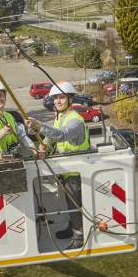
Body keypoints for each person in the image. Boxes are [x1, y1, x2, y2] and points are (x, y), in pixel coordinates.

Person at [25, 81, 89, 249]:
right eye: (55, 98)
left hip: (76, 173)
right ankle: (72, 227)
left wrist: (39, 125)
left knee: (75, 206)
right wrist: (45, 145)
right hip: (66, 171)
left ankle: (79, 238)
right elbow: (53, 136)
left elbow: (62, 135)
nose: (58, 101)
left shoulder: (76, 121)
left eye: (61, 98)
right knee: (70, 204)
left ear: (70, 99)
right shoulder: (61, 117)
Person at [0, 80, 39, 161]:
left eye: (1, 95)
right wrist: (3, 131)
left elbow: (21, 136)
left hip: (11, 160)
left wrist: (34, 150)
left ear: (5, 97)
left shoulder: (9, 117)